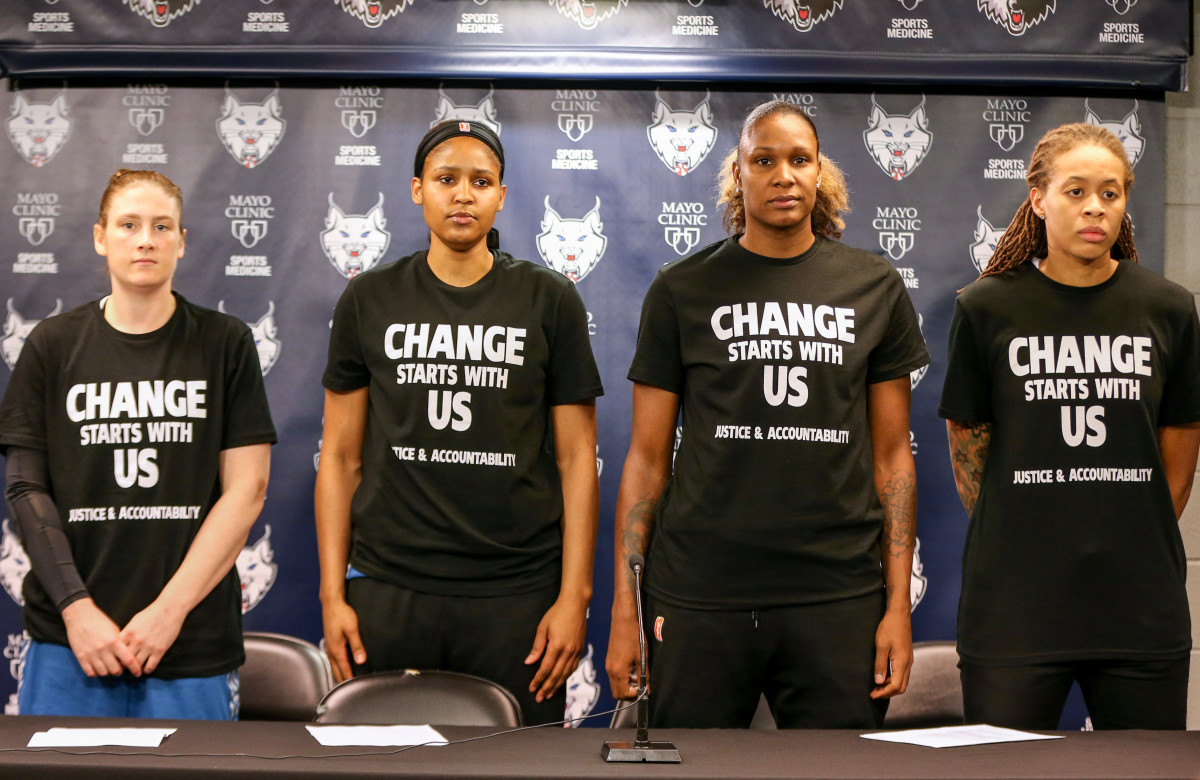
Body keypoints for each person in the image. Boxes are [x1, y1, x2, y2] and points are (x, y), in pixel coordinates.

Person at [604, 100, 928, 728]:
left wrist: (897, 607)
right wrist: (625, 606)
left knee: (838, 778)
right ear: (738, 175)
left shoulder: (874, 285)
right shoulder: (682, 289)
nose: (783, 174)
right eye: (764, 160)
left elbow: (893, 458)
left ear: (819, 174)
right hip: (700, 591)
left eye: (798, 159)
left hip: (836, 594)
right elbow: (646, 458)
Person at [316, 121, 602, 726]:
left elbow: (578, 460)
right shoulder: (369, 298)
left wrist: (574, 597)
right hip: (389, 588)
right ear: (418, 190)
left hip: (516, 591)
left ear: (501, 195)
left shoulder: (550, 300)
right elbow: (340, 458)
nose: (464, 195)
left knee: (517, 772)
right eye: (447, 179)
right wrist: (333, 593)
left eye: (481, 181)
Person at [940, 123, 1200, 730]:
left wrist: (1135, 526)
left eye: (1110, 194)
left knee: (1145, 776)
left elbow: (1181, 441)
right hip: (1015, 606)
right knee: (1001, 774)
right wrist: (1023, 535)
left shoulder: (1168, 307)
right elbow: (967, 446)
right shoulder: (985, 308)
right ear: (1037, 198)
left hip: (1139, 604)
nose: (1095, 208)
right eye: (1076, 191)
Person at [0, 169, 275, 720]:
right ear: (101, 237)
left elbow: (247, 490)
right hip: (70, 640)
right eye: (128, 225)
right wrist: (78, 611)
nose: (145, 239)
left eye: (161, 226)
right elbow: (27, 488)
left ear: (181, 240)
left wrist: (168, 613)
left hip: (188, 638)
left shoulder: (226, 343)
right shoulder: (51, 346)